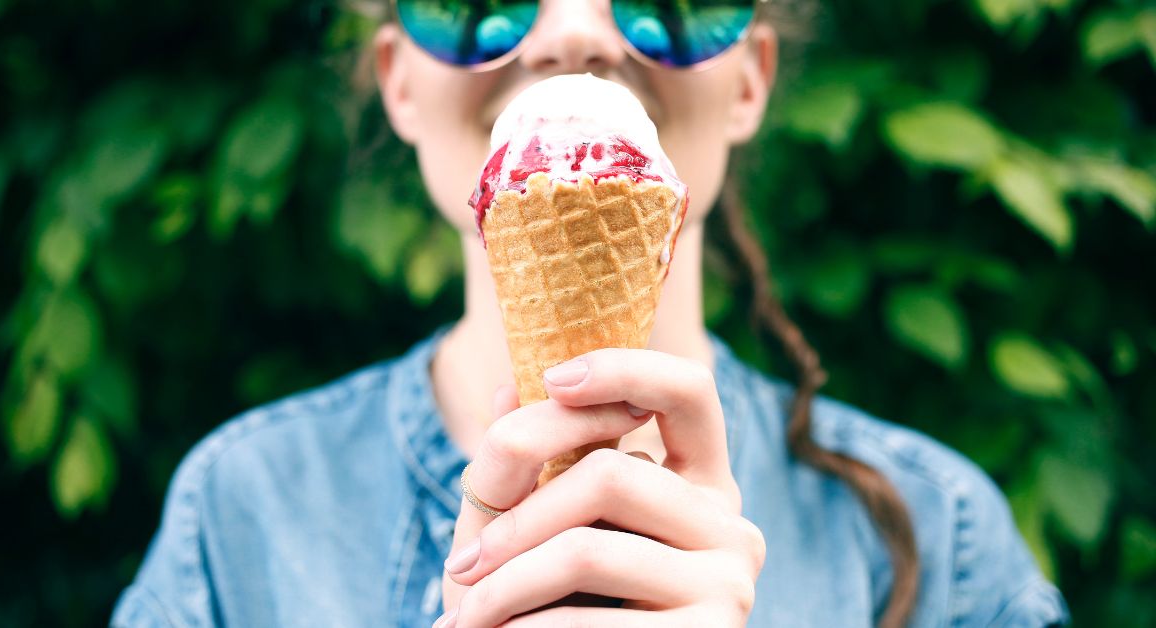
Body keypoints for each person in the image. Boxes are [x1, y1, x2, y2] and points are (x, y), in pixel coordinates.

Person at [112, 0, 1069, 626]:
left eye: (665, 1)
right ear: (399, 79)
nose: (575, 35)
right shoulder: (241, 514)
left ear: (751, 79)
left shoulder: (940, 537)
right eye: (484, 4)